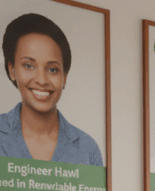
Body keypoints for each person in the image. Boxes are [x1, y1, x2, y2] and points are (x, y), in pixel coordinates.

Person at [1, 13, 103, 166]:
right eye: (29, 66)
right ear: (12, 70)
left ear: (65, 77)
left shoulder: (88, 149)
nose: (42, 80)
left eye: (52, 69)